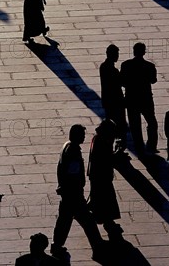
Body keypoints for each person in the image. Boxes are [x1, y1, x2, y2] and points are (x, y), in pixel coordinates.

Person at [51, 125, 104, 262]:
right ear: (76, 135)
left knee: (64, 220)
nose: (84, 137)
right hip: (73, 194)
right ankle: (98, 247)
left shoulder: (66, 146)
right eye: (82, 134)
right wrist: (77, 190)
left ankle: (56, 246)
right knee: (88, 221)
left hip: (67, 193)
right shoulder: (74, 150)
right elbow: (73, 173)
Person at [87, 120, 124, 241]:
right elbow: (106, 158)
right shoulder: (102, 141)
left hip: (98, 174)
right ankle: (106, 220)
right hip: (101, 175)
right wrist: (117, 152)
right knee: (105, 198)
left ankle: (105, 219)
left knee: (102, 198)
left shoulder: (99, 138)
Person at [120, 42, 158, 157]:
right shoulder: (150, 66)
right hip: (146, 98)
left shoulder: (126, 65)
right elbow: (153, 80)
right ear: (144, 52)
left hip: (131, 99)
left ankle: (139, 147)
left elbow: (121, 82)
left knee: (135, 125)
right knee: (152, 122)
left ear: (134, 51)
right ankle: (151, 145)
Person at [99, 45, 127, 150]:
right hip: (116, 101)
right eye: (116, 54)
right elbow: (121, 82)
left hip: (107, 100)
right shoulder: (113, 70)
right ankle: (119, 147)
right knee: (119, 126)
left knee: (110, 124)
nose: (117, 56)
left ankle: (111, 146)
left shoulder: (103, 67)